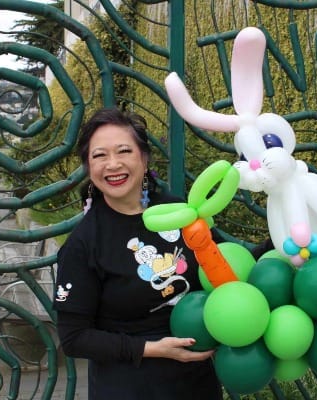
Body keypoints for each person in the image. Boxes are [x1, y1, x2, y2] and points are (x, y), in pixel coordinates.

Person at [53, 107, 224, 399]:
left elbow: (223, 261)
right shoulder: (85, 243)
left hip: (197, 385)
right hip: (130, 386)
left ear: (143, 158)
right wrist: (153, 350)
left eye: (124, 151)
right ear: (88, 166)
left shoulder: (176, 210)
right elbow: (73, 338)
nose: (113, 164)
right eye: (99, 155)